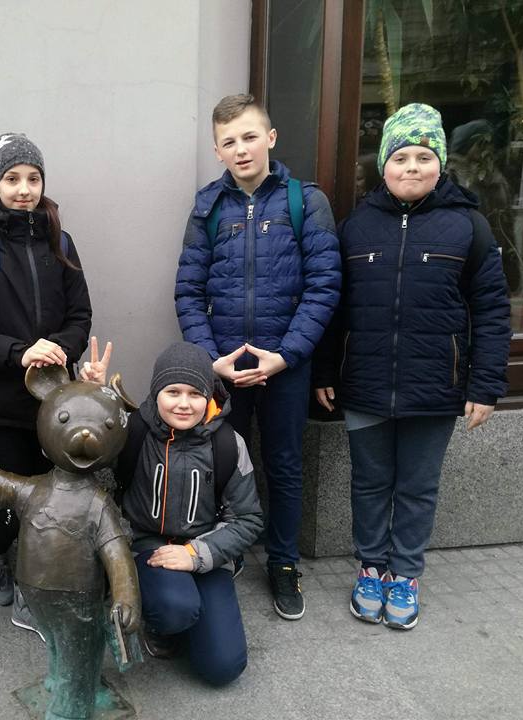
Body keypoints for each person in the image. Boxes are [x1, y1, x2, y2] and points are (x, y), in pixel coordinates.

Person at [313, 103, 511, 630]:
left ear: (440, 163)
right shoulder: (356, 227)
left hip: (436, 387)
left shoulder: (468, 226)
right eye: (401, 157)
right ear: (384, 165)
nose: (412, 167)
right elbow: (333, 307)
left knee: (418, 487)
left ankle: (405, 574)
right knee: (370, 483)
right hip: (366, 383)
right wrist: (325, 372)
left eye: (424, 157)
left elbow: (492, 311)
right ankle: (370, 568)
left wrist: (485, 386)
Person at [175, 93, 341, 620]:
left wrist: (286, 356)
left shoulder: (304, 201)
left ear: (270, 138)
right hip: (224, 369)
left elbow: (324, 287)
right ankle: (224, 552)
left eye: (249, 137)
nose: (241, 149)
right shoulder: (208, 207)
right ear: (217, 151)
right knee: (222, 464)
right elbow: (187, 290)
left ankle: (283, 562)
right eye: (229, 142)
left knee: (284, 464)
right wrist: (211, 360)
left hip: (286, 366)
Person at [0, 133, 92, 638]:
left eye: (33, 178)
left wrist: (59, 349)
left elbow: (80, 316)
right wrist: (20, 352)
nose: (24, 189)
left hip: (57, 403)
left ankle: (35, 592)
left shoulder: (61, 242)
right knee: (20, 503)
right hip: (1, 401)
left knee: (53, 500)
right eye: (12, 179)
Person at [81, 339, 262, 686]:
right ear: (156, 393)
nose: (183, 403)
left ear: (209, 395)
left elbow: (248, 519)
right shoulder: (132, 430)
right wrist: (95, 395)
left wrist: (195, 555)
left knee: (224, 667)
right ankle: (165, 623)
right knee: (174, 608)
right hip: (147, 546)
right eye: (173, 392)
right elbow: (87, 446)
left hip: (206, 549)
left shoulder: (228, 443)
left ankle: (196, 616)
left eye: (195, 394)